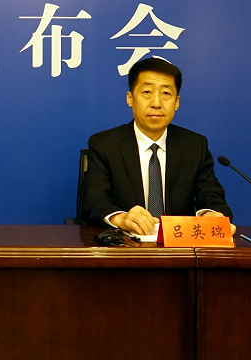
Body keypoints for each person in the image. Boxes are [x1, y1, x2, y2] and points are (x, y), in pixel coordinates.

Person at [80, 57, 234, 236]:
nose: (156, 103)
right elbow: (93, 201)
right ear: (130, 98)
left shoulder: (194, 146)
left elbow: (212, 196)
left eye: (166, 93)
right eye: (147, 92)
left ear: (176, 102)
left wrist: (211, 215)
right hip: (125, 246)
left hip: (179, 246)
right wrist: (122, 219)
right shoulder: (105, 145)